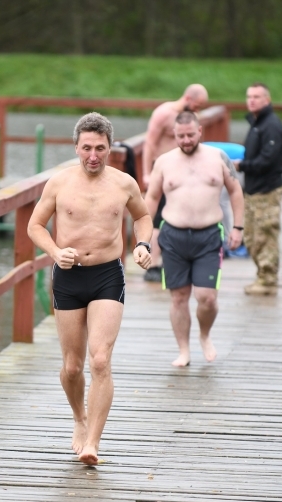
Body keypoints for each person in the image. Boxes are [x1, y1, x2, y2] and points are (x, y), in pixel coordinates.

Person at [28, 112, 153, 466]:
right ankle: (79, 419)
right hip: (69, 276)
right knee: (72, 366)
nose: (93, 155)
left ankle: (93, 443)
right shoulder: (59, 183)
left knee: (100, 359)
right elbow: (35, 226)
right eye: (86, 148)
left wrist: (143, 245)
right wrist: (55, 252)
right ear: (76, 147)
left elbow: (143, 218)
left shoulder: (124, 183)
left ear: (110, 148)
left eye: (100, 148)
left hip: (107, 276)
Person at [145, 110, 244, 367]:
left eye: (190, 135)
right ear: (174, 135)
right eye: (181, 136)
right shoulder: (164, 162)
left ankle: (204, 334)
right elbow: (152, 198)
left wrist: (238, 228)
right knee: (178, 296)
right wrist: (144, 237)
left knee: (206, 297)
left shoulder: (218, 158)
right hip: (173, 235)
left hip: (209, 235)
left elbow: (235, 191)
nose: (186, 140)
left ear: (200, 132)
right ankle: (183, 350)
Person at [142, 84, 209, 282]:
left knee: (178, 216)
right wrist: (147, 174)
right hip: (161, 170)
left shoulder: (191, 118)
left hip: (183, 172)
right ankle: (153, 265)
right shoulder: (163, 113)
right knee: (156, 220)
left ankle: (172, 260)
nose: (198, 110)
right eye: (197, 105)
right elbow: (150, 143)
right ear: (188, 98)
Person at [234, 82, 282, 296]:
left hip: (267, 190)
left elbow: (268, 160)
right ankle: (261, 275)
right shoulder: (257, 123)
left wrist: (241, 165)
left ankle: (268, 278)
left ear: (268, 99)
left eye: (257, 96)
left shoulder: (271, 125)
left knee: (266, 234)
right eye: (249, 97)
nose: (252, 100)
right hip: (253, 189)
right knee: (252, 237)